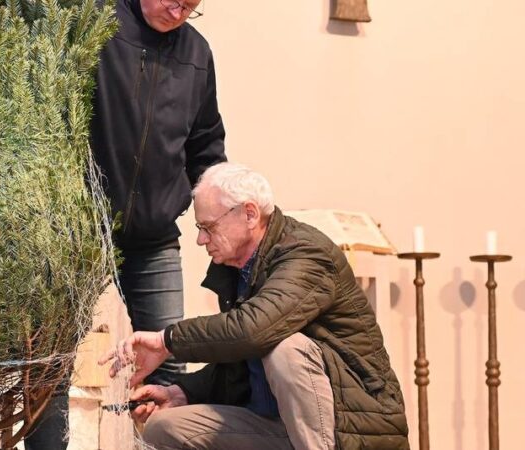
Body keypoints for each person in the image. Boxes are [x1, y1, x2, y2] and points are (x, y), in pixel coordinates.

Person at [99, 162, 410, 449]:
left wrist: (166, 342)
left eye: (208, 227)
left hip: (346, 430)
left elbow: (253, 331)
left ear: (249, 214)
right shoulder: (237, 269)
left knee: (285, 349)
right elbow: (241, 359)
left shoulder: (307, 254)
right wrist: (183, 392)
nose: (200, 240)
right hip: (277, 427)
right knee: (163, 427)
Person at [27, 1, 226, 448]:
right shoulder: (95, 22)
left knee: (170, 359)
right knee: (51, 365)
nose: (178, 11)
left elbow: (206, 145)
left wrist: (219, 219)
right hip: (77, 232)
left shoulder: (197, 53)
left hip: (154, 237)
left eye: (191, 5)